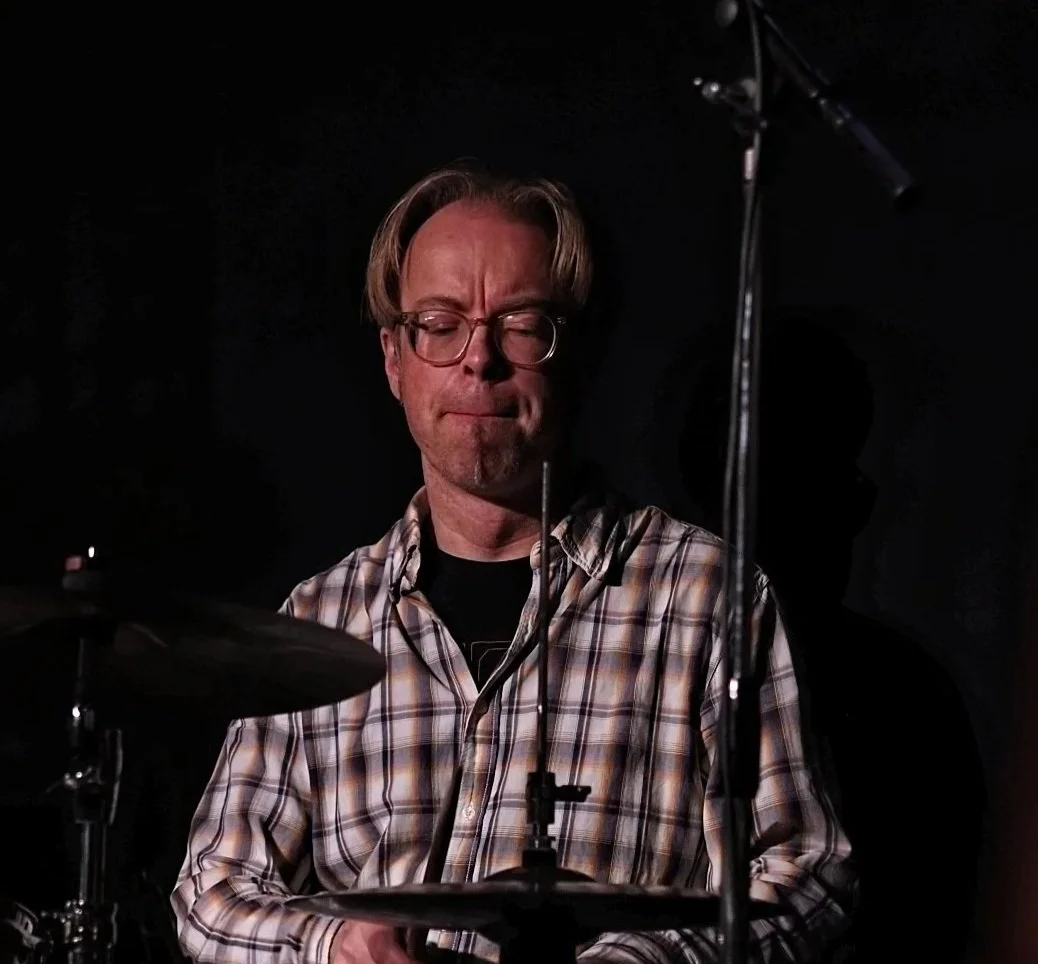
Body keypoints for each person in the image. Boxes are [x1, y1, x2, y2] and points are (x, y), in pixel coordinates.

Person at [172, 160, 856, 963]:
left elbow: (809, 876)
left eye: (523, 324)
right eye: (440, 322)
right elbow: (212, 891)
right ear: (395, 359)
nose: (479, 360)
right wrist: (334, 947)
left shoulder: (708, 597)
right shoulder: (320, 617)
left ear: (580, 354)